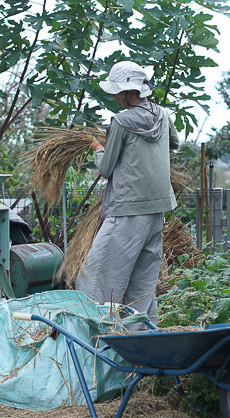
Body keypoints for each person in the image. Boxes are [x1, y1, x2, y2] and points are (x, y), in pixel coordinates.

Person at [73, 61, 180, 323]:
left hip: (128, 211)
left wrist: (99, 147)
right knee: (140, 287)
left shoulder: (121, 121)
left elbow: (107, 169)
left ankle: (96, 341)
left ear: (128, 92)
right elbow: (174, 143)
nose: (115, 98)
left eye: (117, 93)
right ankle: (141, 345)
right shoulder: (163, 115)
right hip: (156, 212)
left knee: (93, 279)